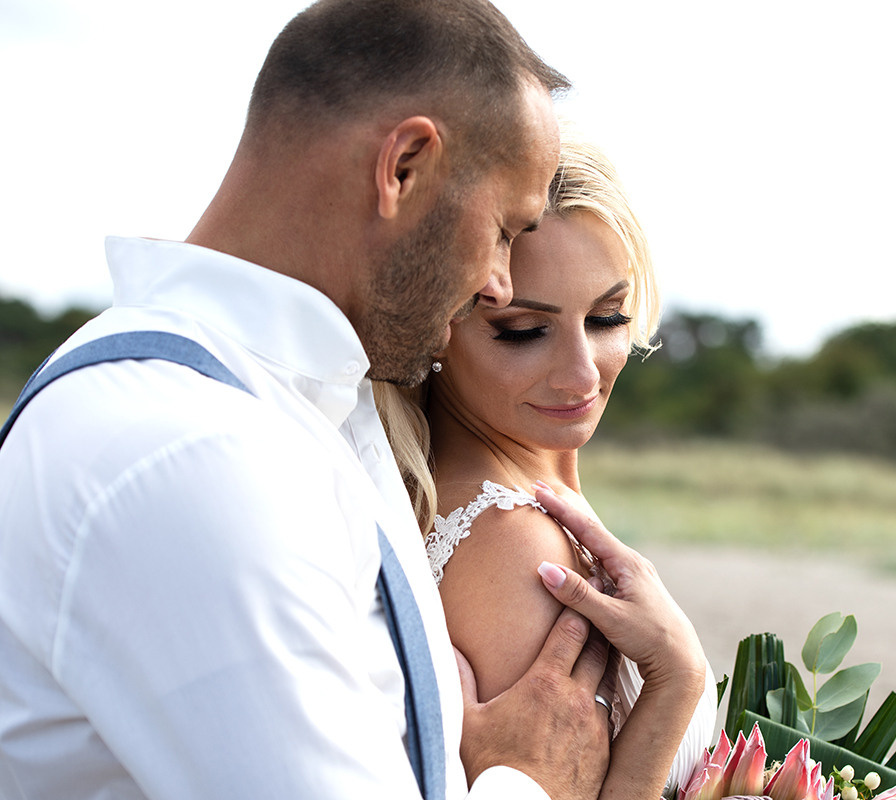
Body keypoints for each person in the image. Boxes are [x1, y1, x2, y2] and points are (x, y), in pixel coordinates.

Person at [0, 1, 705, 798]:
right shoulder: (195, 455)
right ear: (404, 166)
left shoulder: (304, 409)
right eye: (505, 231)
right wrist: (530, 784)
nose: (498, 282)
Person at [374, 129, 715, 800]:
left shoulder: (528, 508)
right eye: (524, 331)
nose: (581, 373)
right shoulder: (513, 545)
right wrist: (677, 680)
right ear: (436, 326)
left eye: (607, 317)